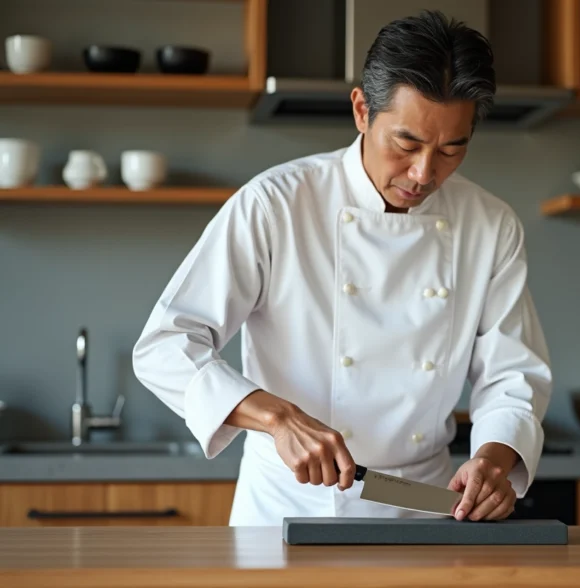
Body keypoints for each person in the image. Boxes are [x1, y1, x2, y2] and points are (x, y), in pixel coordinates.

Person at [132, 10, 552, 526]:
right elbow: (166, 345)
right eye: (407, 143)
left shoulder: (490, 225)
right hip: (287, 507)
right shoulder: (275, 204)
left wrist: (493, 458)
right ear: (361, 110)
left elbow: (513, 374)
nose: (424, 173)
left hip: (424, 505)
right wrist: (275, 415)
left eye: (451, 148)